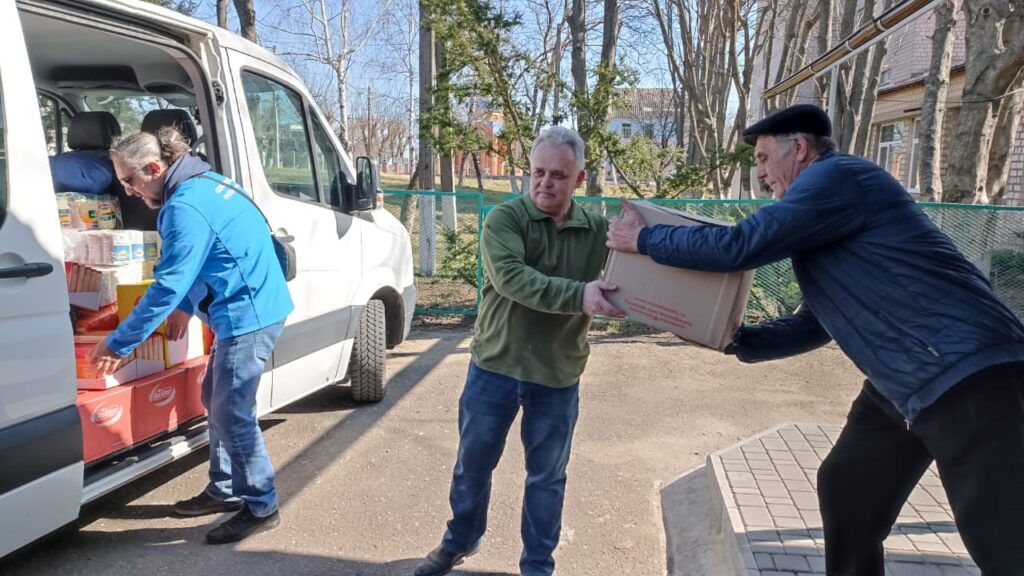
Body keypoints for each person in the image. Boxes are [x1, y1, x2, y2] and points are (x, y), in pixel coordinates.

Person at [606, 103, 1024, 574]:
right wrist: (738, 341)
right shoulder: (825, 216)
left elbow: (737, 247)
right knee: (848, 487)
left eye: (764, 158)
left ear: (800, 149)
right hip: (901, 382)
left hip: (967, 372)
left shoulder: (837, 178)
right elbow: (814, 322)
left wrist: (644, 240)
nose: (761, 173)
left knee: (1003, 541)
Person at [414, 126, 623, 576]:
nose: (545, 183)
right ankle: (460, 539)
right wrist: (582, 296)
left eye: (559, 175)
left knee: (547, 479)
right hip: (496, 367)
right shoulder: (504, 220)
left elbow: (633, 275)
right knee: (473, 466)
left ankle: (536, 566)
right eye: (538, 172)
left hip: (557, 374)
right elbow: (512, 279)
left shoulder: (599, 233)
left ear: (579, 179)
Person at [88, 127, 294, 545]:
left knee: (231, 411)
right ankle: (225, 488)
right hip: (254, 303)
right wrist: (185, 308)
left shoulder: (184, 206)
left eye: (130, 180)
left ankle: (260, 503)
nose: (127, 191)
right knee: (215, 399)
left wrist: (119, 343)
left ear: (153, 167)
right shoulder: (208, 182)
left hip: (246, 315)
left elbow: (169, 282)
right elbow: (212, 253)